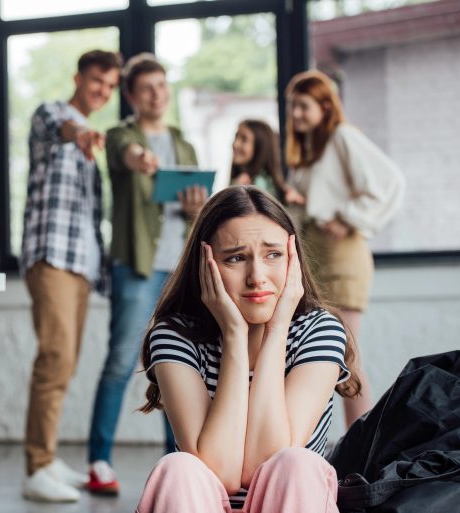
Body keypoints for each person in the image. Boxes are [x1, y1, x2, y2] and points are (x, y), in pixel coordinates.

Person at [135, 185, 361, 512]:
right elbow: (220, 471)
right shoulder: (175, 335)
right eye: (236, 258)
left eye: (273, 255)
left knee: (295, 464)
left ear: (292, 261)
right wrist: (234, 336)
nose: (257, 277)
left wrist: (277, 329)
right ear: (205, 265)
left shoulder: (319, 330)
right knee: (178, 468)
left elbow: (266, 462)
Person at [86, 53, 208, 496]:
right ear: (132, 96)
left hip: (181, 271)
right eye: (147, 88)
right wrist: (140, 157)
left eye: (162, 85)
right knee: (122, 362)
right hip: (136, 266)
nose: (157, 94)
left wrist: (198, 207)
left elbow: (198, 212)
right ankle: (99, 460)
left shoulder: (184, 143)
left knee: (179, 364)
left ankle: (180, 461)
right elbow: (123, 153)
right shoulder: (122, 135)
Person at [20, 49, 122, 503]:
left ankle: (49, 459)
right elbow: (61, 129)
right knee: (55, 359)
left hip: (80, 264)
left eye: (110, 86)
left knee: (66, 362)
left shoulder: (92, 147)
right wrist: (79, 132)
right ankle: (36, 466)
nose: (102, 90)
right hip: (52, 256)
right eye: (97, 80)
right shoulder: (52, 115)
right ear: (78, 77)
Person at [283, 70, 405, 427]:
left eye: (303, 106)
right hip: (316, 257)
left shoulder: (342, 136)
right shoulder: (311, 150)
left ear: (325, 106)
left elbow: (390, 182)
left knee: (347, 358)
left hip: (342, 256)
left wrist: (348, 217)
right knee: (322, 357)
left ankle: (360, 449)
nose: (296, 114)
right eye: (293, 107)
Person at [229, 120, 286, 202]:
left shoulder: (259, 185)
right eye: (236, 137)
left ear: (259, 147)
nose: (235, 144)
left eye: (244, 139)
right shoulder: (240, 180)